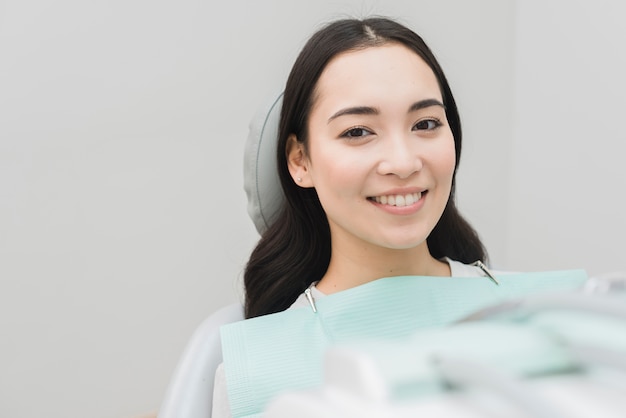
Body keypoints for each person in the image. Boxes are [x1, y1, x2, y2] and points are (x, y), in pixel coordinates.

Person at [213, 16, 491, 417]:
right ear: (300, 160)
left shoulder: (535, 316)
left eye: (426, 123)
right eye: (358, 131)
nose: (403, 162)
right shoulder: (258, 373)